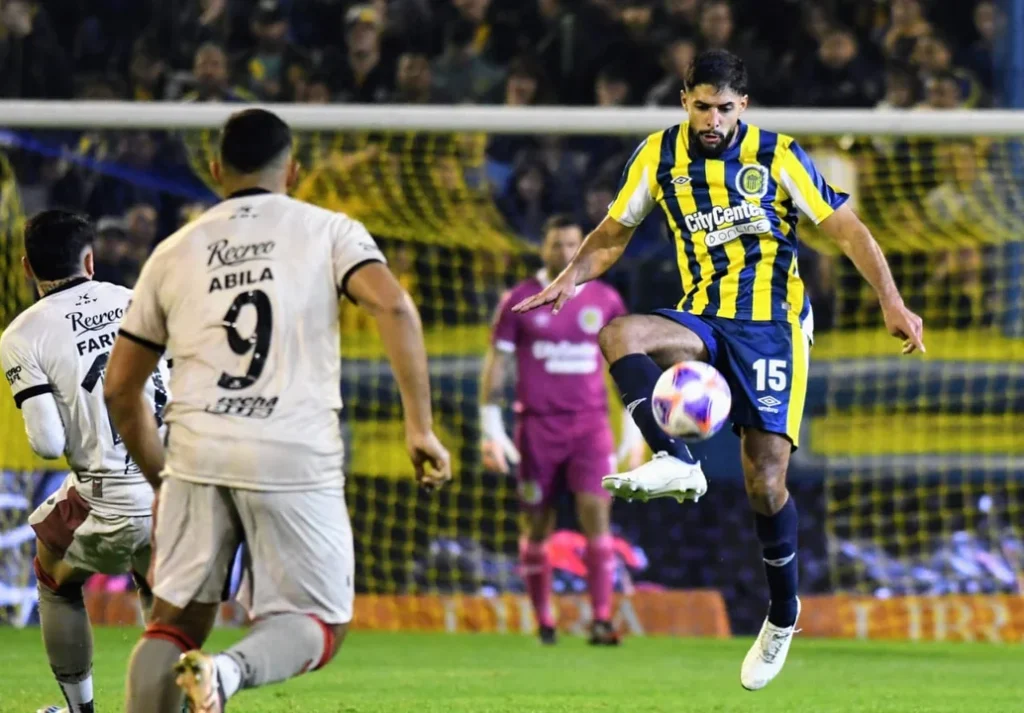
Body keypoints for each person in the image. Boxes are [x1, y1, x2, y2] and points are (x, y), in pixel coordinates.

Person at [512, 50, 924, 691]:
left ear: (743, 107)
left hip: (773, 329)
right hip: (703, 318)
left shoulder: (777, 155)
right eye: (702, 106)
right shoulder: (658, 156)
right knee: (618, 333)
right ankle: (675, 458)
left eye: (724, 108)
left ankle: (782, 615)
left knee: (765, 482)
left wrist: (891, 301)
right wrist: (572, 276)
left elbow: (846, 229)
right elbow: (615, 232)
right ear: (684, 100)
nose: (712, 120)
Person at [104, 108, 452, 713]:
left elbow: (119, 388)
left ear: (216, 171)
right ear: (292, 170)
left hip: (197, 451)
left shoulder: (172, 251)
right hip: (291, 450)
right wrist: (419, 427)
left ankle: (199, 670)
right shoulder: (329, 231)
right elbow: (394, 308)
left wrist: (165, 476)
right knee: (321, 621)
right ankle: (226, 673)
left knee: (172, 624)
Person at [0, 210, 169, 713]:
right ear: (90, 261)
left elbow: (47, 442)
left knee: (54, 578)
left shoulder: (21, 334)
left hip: (107, 499)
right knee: (157, 585)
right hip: (173, 489)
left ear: (27, 267)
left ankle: (81, 710)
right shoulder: (136, 300)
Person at [480, 215, 642, 646]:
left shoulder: (605, 299)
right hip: (537, 428)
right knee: (536, 525)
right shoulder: (520, 300)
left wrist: (634, 430)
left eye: (573, 244)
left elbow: (625, 367)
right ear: (543, 248)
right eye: (557, 245)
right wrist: (490, 427)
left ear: (583, 247)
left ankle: (602, 619)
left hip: (590, 428)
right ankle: (544, 621)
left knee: (597, 517)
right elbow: (498, 365)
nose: (566, 253)